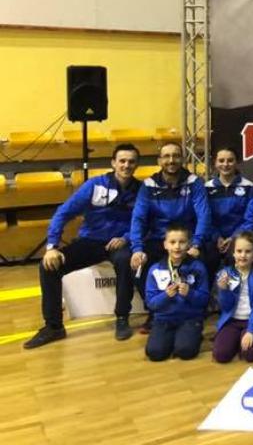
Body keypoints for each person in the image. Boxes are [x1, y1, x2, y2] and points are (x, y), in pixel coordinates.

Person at [24, 144, 142, 348]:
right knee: (48, 266)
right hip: (91, 241)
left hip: (120, 243)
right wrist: (52, 247)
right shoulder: (94, 185)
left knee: (125, 261)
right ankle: (54, 327)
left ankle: (122, 317)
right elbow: (63, 213)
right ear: (113, 163)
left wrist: (126, 238)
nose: (126, 165)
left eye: (131, 161)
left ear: (137, 165)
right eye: (122, 161)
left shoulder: (142, 190)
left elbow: (145, 221)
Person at [130, 142, 211, 332]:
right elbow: (138, 218)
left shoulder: (194, 182)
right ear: (159, 160)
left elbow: (204, 214)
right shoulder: (148, 185)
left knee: (209, 257)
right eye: (166, 156)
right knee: (137, 262)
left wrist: (196, 243)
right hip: (159, 239)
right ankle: (155, 311)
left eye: (176, 156)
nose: (171, 160)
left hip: (188, 240)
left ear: (182, 159)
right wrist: (137, 249)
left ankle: (195, 309)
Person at [144, 224, 209, 361]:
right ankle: (173, 336)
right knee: (155, 353)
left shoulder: (198, 268)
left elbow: (204, 300)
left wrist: (190, 293)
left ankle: (190, 334)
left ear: (189, 244)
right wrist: (166, 295)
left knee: (185, 351)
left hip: (189, 318)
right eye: (172, 242)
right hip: (163, 319)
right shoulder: (155, 269)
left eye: (182, 242)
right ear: (165, 245)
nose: (177, 246)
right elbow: (151, 303)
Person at [212, 231, 253, 363]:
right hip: (231, 321)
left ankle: (247, 338)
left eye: (248, 251)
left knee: (251, 355)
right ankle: (235, 339)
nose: (243, 255)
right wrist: (224, 290)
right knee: (221, 355)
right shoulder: (224, 274)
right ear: (233, 253)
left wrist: (251, 331)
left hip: (252, 321)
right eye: (239, 251)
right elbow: (225, 307)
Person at [205, 146, 253, 267]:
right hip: (213, 240)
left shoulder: (249, 187)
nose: (225, 164)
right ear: (215, 163)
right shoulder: (206, 188)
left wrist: (234, 237)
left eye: (230, 160)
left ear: (237, 162)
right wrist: (216, 237)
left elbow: (251, 219)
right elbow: (204, 217)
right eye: (221, 160)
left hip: (240, 239)